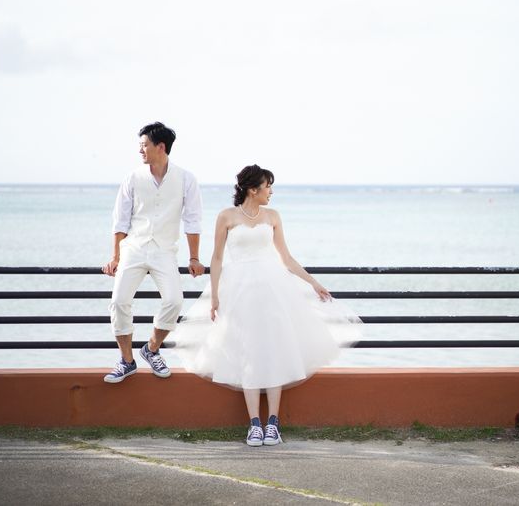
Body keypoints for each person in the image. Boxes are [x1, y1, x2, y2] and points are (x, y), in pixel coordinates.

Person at [173, 164, 362, 446]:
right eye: (268, 186)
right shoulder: (226, 216)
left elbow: (286, 258)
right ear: (253, 189)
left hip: (273, 289)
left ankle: (273, 423)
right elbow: (217, 258)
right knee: (246, 350)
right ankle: (254, 425)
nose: (271, 192)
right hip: (239, 291)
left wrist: (313, 282)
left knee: (274, 349)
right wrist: (214, 296)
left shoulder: (273, 216)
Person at [102, 122, 205, 384]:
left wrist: (194, 258)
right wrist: (115, 257)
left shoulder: (186, 179)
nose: (140, 150)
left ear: (160, 147)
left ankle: (152, 348)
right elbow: (120, 220)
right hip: (133, 249)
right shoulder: (133, 178)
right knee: (119, 302)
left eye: (144, 145)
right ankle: (127, 361)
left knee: (174, 301)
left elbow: (193, 220)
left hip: (164, 251)